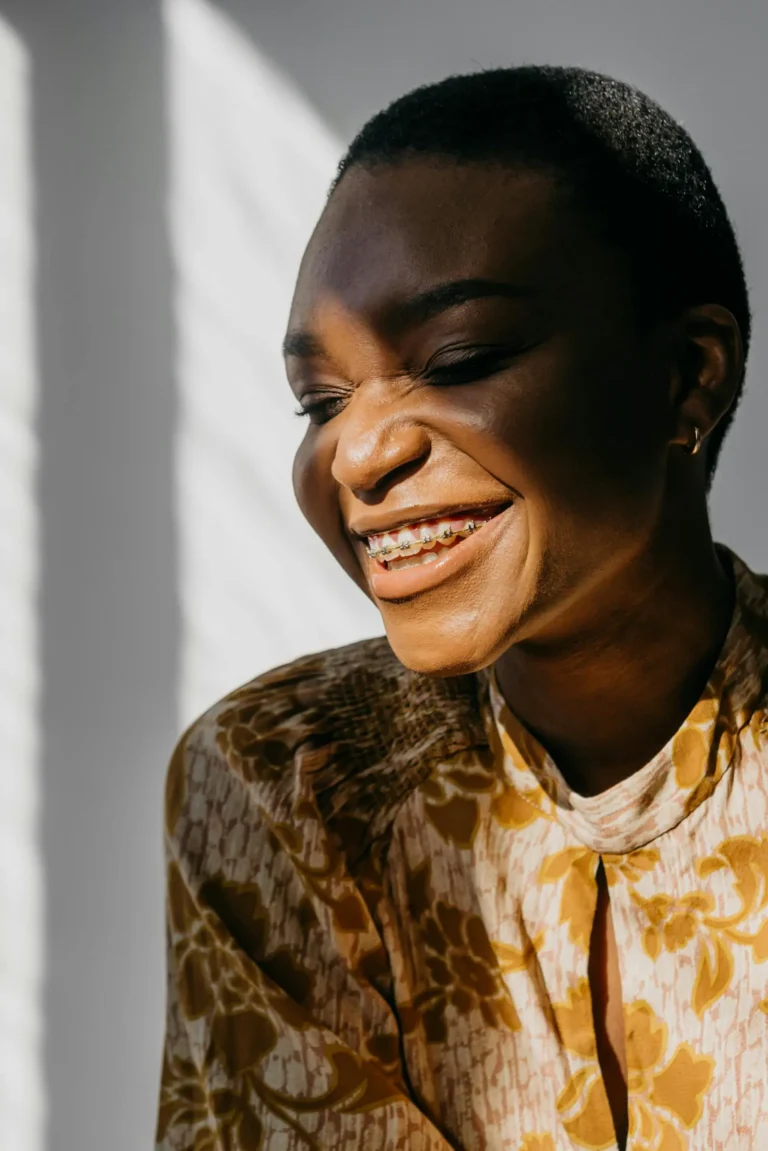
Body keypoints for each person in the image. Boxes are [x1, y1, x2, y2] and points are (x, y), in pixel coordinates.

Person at [155, 66, 768, 1151]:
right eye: (319, 402)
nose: (360, 450)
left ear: (688, 374)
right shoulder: (288, 779)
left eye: (459, 358)